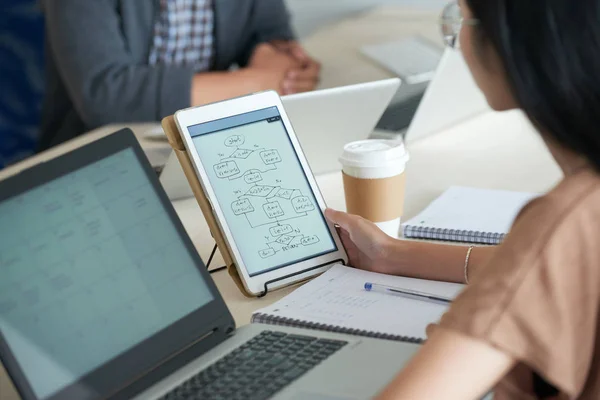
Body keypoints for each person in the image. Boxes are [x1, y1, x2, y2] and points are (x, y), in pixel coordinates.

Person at [326, 0, 600, 398]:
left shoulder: (570, 217)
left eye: (460, 19)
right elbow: (541, 269)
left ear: (513, 43)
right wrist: (392, 254)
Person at [38, 0, 319, 151]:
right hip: (101, 150)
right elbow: (106, 96)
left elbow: (271, 34)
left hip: (208, 139)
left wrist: (281, 62)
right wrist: (258, 83)